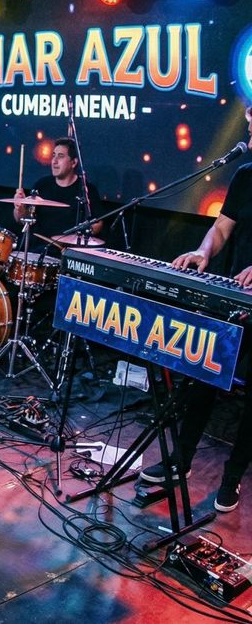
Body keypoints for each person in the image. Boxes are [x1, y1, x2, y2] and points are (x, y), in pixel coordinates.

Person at [145, 105, 252, 512]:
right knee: (206, 372)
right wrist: (204, 251)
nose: (247, 120)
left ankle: (231, 478)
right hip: (235, 298)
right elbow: (222, 227)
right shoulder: (245, 176)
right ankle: (181, 461)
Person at [12, 137, 104, 241]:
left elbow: (97, 224)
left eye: (60, 156)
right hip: (38, 251)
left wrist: (78, 238)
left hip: (66, 252)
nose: (54, 161)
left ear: (74, 162)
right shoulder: (42, 184)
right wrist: (19, 207)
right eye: (53, 156)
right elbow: (21, 219)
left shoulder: (86, 190)